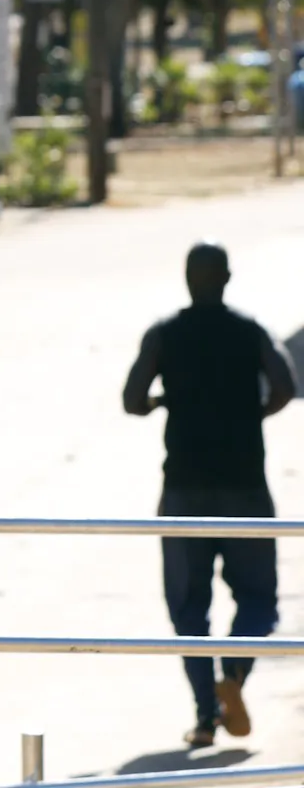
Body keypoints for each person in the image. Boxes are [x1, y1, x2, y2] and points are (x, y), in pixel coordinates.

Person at [123, 241, 295, 748]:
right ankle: (234, 677)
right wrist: (251, 412)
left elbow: (131, 399)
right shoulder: (250, 331)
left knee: (188, 606)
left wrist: (160, 401)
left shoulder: (164, 334)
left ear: (186, 279)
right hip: (245, 487)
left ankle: (204, 716)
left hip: (183, 491)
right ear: (227, 278)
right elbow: (286, 383)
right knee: (259, 599)